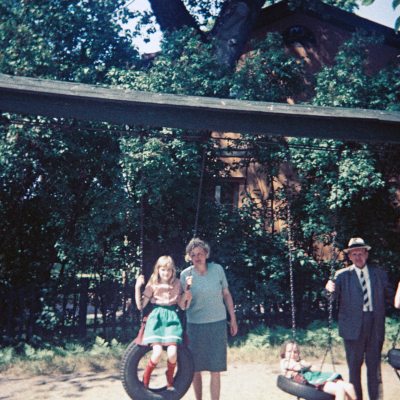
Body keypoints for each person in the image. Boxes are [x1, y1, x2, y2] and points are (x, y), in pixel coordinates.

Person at [325, 238, 395, 400]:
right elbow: (332, 296)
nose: (357, 257)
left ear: (367, 254)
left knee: (374, 368)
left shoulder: (379, 274)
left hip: (375, 326)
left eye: (360, 253)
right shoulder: (342, 276)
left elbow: (391, 297)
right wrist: (329, 289)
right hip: (352, 328)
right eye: (354, 254)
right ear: (349, 257)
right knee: (354, 369)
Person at [180, 238, 238, 400]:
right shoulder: (185, 275)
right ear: (189, 257)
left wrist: (232, 319)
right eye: (193, 255)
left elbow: (226, 295)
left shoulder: (217, 270)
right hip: (195, 326)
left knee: (215, 368)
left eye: (200, 254)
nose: (197, 257)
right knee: (195, 369)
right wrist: (186, 290)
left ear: (206, 254)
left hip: (217, 324)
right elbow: (183, 306)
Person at [135, 255, 192, 389]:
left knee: (173, 353)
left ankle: (170, 377)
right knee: (158, 353)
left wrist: (187, 293)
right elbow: (141, 306)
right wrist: (138, 287)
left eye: (169, 270)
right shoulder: (152, 284)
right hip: (156, 319)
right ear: (158, 270)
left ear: (173, 271)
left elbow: (183, 306)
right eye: (163, 270)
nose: (166, 273)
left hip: (172, 318)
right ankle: (146, 376)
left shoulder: (177, 283)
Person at [280, 340, 358, 400]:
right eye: (289, 351)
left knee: (349, 387)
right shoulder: (285, 361)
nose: (292, 354)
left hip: (317, 378)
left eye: (295, 352)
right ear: (284, 353)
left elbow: (317, 369)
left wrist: (304, 364)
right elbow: (298, 368)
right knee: (339, 390)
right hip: (309, 381)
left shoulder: (301, 362)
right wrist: (305, 364)